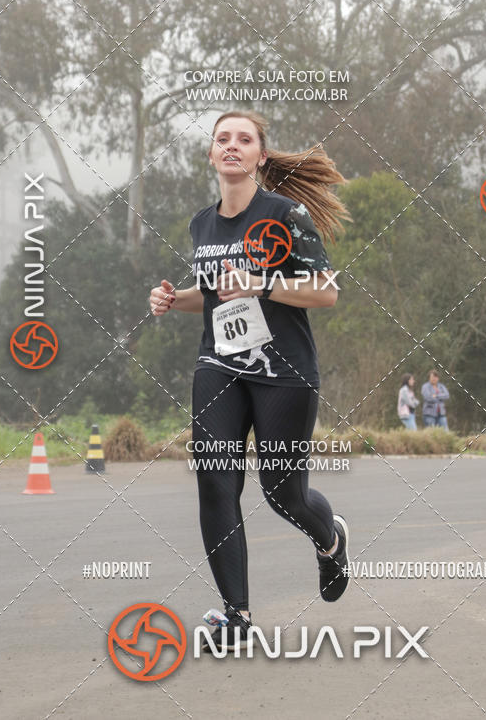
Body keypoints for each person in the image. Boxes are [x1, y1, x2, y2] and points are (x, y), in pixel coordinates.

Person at [149, 110, 351, 650]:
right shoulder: (201, 225)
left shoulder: (287, 214)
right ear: (212, 155)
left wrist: (261, 284)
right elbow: (215, 293)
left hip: (283, 371)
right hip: (219, 364)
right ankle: (235, 616)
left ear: (261, 156)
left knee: (284, 493)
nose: (232, 146)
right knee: (216, 479)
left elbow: (326, 291)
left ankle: (330, 540)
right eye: (222, 139)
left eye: (244, 139)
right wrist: (174, 299)